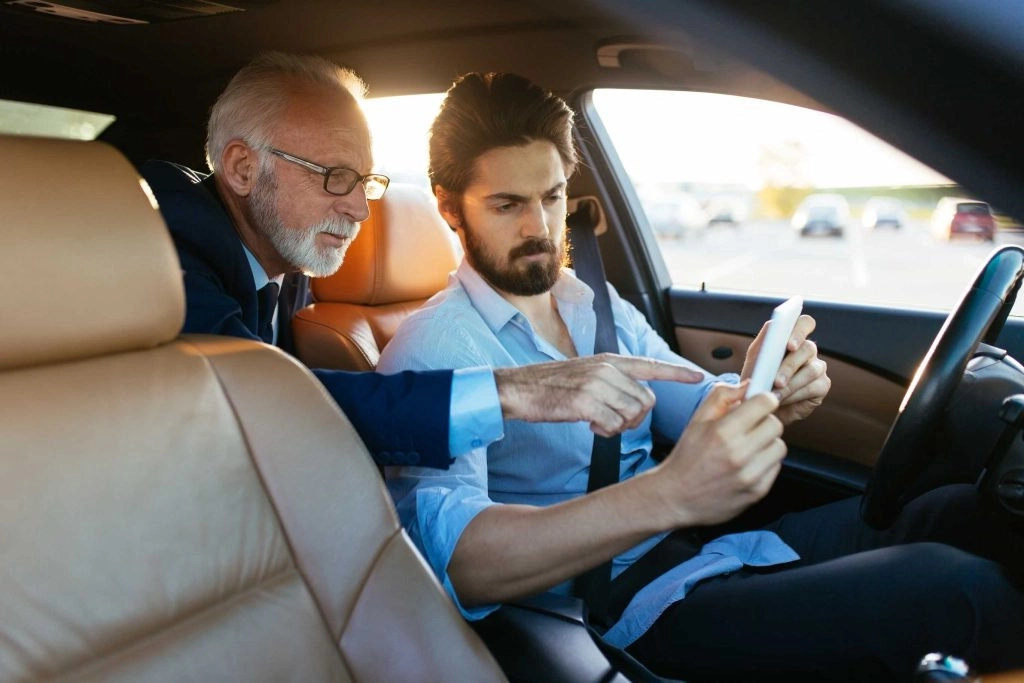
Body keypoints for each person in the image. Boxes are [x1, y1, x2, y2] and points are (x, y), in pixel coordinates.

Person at [378, 71, 1024, 681]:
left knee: (964, 510)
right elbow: (458, 561)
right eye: (506, 204)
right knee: (959, 592)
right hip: (613, 615)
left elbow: (693, 401)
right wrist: (667, 494)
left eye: (550, 198)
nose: (538, 227)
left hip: (699, 555)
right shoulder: (433, 350)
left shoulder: (589, 301)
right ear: (449, 207)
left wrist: (766, 394)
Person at [141, 52, 701, 470]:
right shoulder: (164, 257)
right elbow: (259, 401)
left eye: (365, 181)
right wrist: (514, 390)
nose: (361, 209)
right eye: (336, 177)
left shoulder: (278, 263)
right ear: (241, 169)